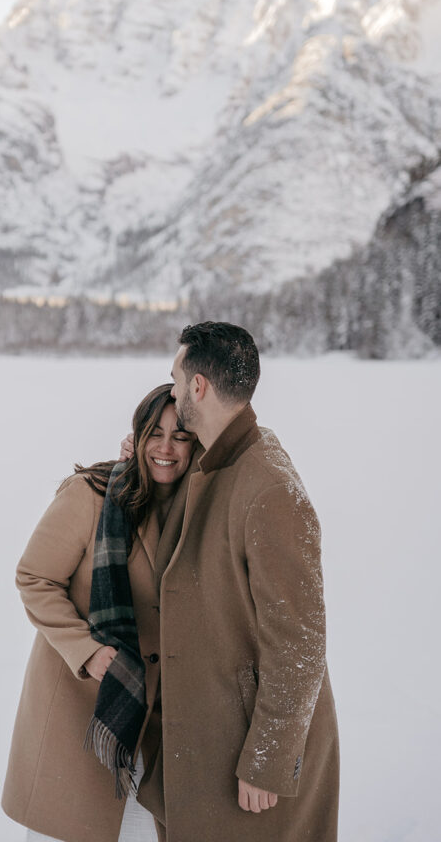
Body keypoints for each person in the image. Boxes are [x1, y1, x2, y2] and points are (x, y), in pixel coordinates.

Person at [125, 322, 339, 842]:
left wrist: (268, 760)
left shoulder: (269, 488)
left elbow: (301, 643)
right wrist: (138, 455)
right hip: (201, 738)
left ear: (198, 386)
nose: (172, 391)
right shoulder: (221, 455)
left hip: (248, 759)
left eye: (176, 380)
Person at [1, 384, 197, 842]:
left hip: (161, 723)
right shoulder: (91, 494)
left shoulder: (199, 510)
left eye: (181, 435)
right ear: (137, 434)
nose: (165, 447)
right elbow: (35, 578)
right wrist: (85, 650)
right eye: (155, 432)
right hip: (83, 709)